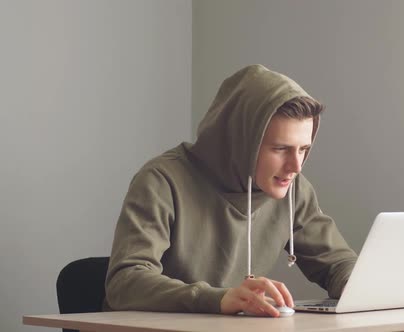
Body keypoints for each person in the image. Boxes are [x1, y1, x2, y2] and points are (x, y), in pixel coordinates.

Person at [104, 64, 357, 317]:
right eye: (280, 149)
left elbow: (338, 264)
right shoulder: (161, 180)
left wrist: (356, 286)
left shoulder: (293, 189)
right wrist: (218, 298)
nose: (296, 166)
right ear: (240, 139)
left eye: (303, 149)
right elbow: (125, 282)